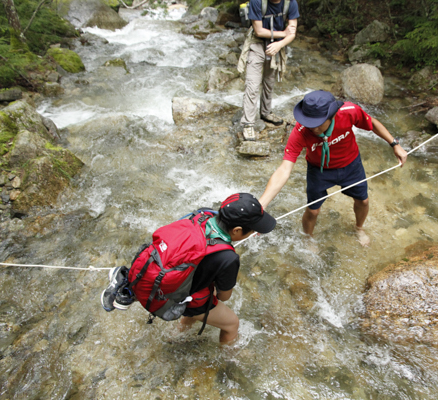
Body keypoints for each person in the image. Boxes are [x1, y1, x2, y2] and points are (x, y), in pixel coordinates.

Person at [101, 193, 276, 344]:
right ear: (237, 231)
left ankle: (176, 334)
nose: (254, 233)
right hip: (186, 297)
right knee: (231, 324)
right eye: (253, 230)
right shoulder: (228, 257)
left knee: (195, 298)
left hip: (169, 279)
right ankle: (228, 362)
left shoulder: (203, 215)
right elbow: (225, 296)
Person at [258, 90, 407, 246]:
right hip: (318, 171)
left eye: (316, 123)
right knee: (313, 210)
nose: (311, 128)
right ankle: (308, 238)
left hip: (351, 165)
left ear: (332, 116)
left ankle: (359, 228)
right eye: (308, 122)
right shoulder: (301, 131)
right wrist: (261, 205)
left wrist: (394, 145)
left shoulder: (349, 112)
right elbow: (284, 169)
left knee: (363, 201)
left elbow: (372, 123)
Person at [238, 0, 299, 141]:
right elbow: (258, 30)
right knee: (252, 84)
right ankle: (248, 123)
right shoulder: (257, 2)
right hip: (257, 42)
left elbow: (292, 31)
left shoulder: (291, 3)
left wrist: (279, 44)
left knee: (269, 81)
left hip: (277, 44)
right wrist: (282, 33)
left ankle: (265, 113)